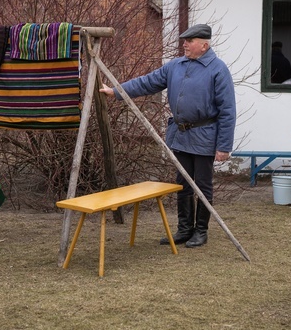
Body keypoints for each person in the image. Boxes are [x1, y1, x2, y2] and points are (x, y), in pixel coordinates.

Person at [99, 24, 236, 248]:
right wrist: (116, 91)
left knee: (202, 185)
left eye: (189, 41)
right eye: (184, 40)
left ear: (204, 45)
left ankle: (200, 231)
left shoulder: (218, 70)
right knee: (182, 184)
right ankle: (184, 230)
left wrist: (223, 146)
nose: (184, 44)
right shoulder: (175, 66)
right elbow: (147, 82)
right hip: (180, 136)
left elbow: (228, 110)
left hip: (204, 136)